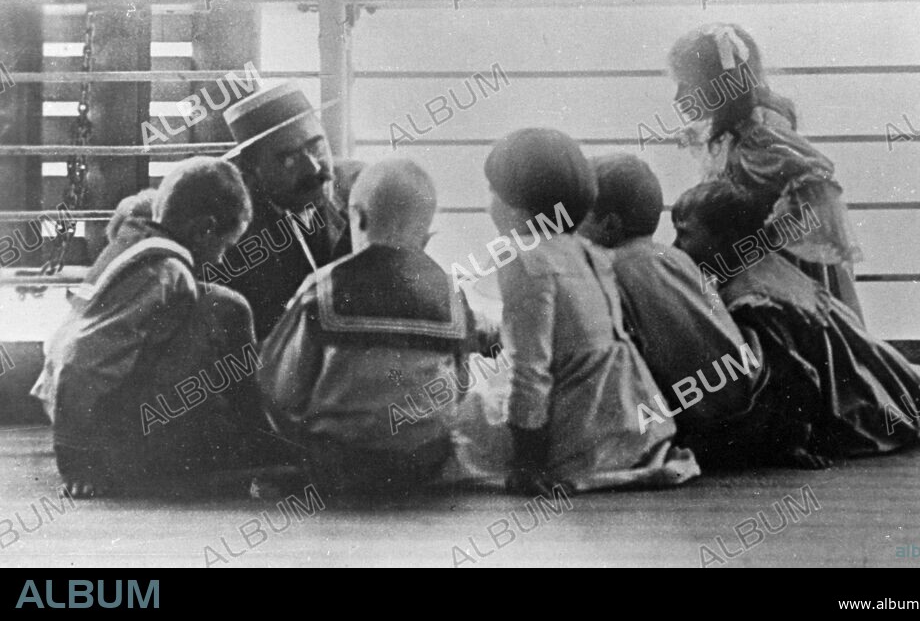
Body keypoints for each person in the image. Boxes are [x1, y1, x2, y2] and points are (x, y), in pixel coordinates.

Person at [672, 181, 920, 468]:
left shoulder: (746, 296)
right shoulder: (767, 265)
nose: (676, 245)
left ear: (725, 237)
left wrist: (793, 440)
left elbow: (793, 371)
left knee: (877, 410)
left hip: (836, 382)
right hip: (859, 357)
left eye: (685, 234)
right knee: (908, 393)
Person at [31, 158, 272, 498]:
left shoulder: (135, 242)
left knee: (218, 302)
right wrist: (77, 463)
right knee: (229, 307)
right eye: (224, 245)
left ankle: (251, 438)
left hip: (96, 420)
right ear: (204, 228)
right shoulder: (164, 272)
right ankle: (254, 440)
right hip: (111, 443)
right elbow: (78, 358)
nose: (220, 259)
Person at [483, 128, 699, 494]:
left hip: (579, 436)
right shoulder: (590, 253)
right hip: (635, 422)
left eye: (492, 191)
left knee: (465, 418)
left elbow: (531, 367)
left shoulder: (522, 258)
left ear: (510, 203)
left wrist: (528, 462)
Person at [259, 159, 480, 495]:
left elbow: (282, 386)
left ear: (357, 218)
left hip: (340, 459)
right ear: (428, 232)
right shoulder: (452, 293)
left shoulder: (323, 287)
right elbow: (461, 384)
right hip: (425, 460)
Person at [668, 23, 863, 318]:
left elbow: (816, 182)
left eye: (687, 84)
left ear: (719, 84)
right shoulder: (742, 131)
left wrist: (764, 240)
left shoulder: (758, 136)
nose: (678, 97)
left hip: (780, 271)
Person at [577, 154, 763, 442]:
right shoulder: (674, 256)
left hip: (698, 417)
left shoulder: (608, 267)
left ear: (610, 225)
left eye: (579, 218)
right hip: (744, 396)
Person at [218, 82, 351, 340]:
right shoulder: (232, 243)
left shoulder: (359, 197)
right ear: (251, 170)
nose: (313, 168)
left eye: (316, 146)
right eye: (288, 158)